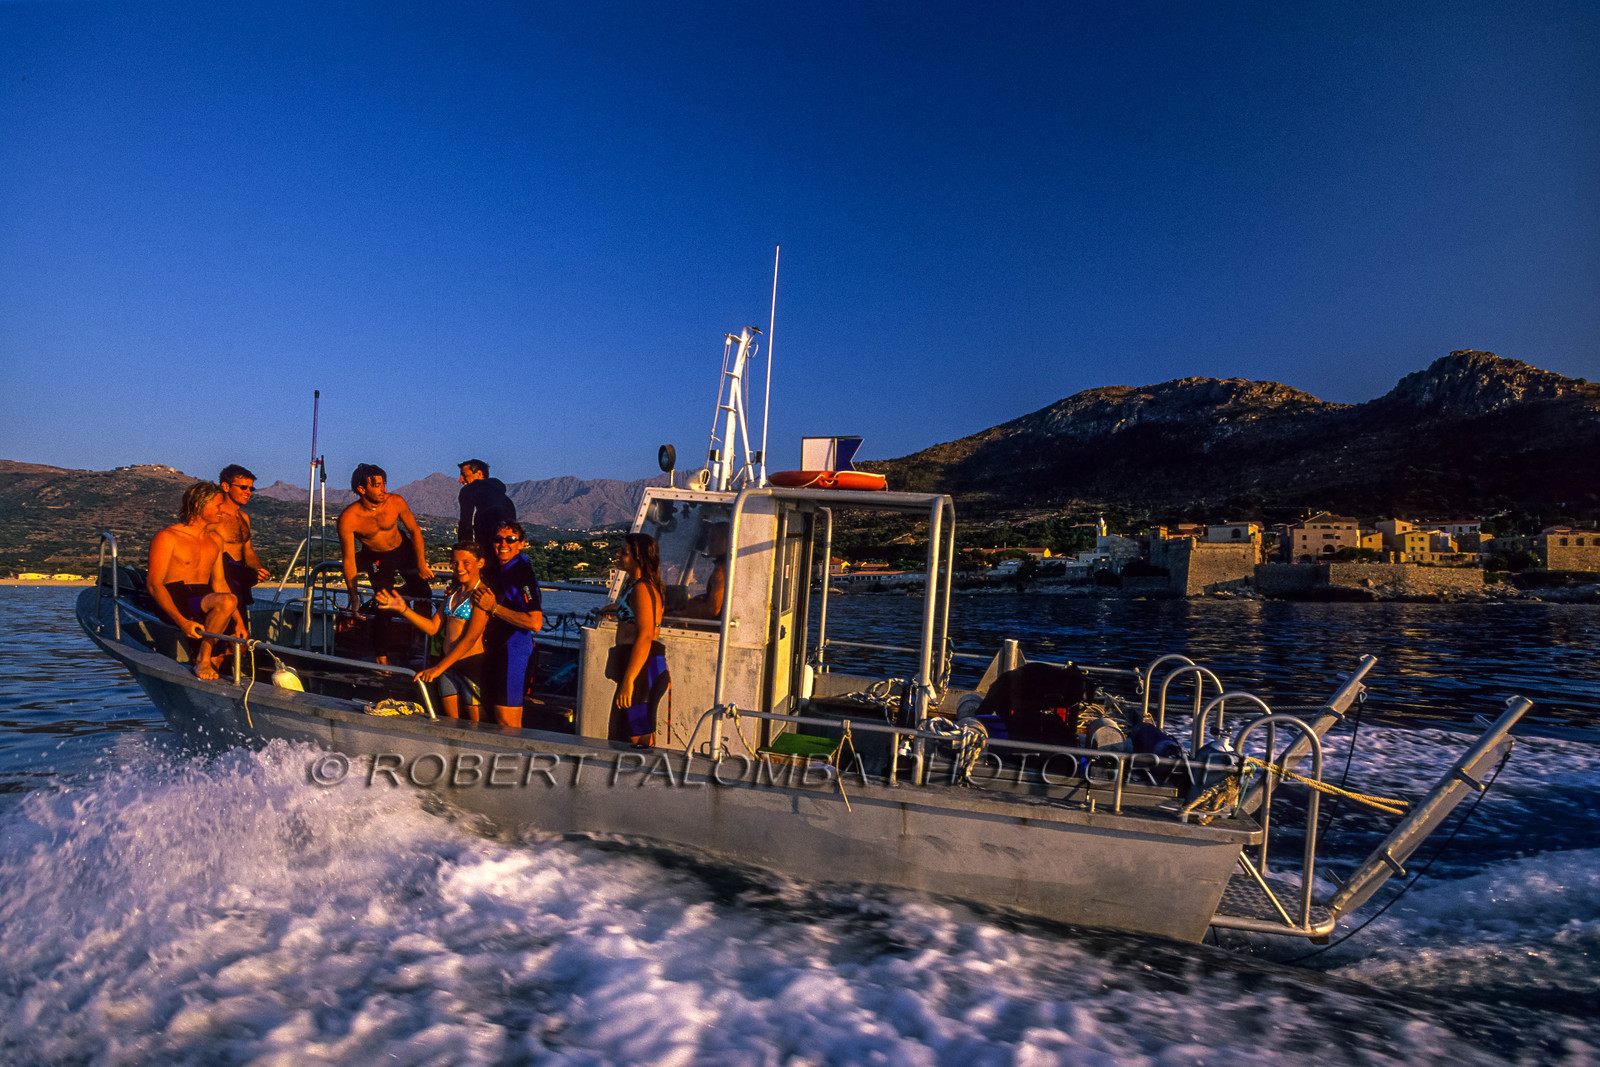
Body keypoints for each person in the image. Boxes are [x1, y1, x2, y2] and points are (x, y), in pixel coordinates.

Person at [377, 542, 490, 721]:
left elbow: (469, 640)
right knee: (450, 722)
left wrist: (438, 668)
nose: (459, 567)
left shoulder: (482, 595)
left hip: (472, 667)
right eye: (455, 562)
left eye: (466, 562)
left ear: (480, 563)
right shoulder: (453, 595)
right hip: (448, 666)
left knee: (476, 726)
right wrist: (402, 609)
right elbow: (432, 627)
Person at [336, 463, 435, 664]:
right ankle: (381, 657)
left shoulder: (395, 502)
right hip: (376, 557)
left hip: (403, 550)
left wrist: (422, 563)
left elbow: (415, 530)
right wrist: (354, 597)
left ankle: (419, 643)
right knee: (383, 603)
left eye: (384, 484)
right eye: (378, 486)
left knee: (424, 593)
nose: (384, 490)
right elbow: (348, 560)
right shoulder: (348, 518)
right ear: (362, 489)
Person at [147, 481, 242, 680]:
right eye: (217, 505)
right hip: (175, 594)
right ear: (199, 506)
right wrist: (181, 622)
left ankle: (209, 664)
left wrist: (239, 623)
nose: (222, 510)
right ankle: (203, 660)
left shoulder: (215, 539)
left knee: (231, 647)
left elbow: (220, 583)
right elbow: (154, 584)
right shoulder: (167, 537)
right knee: (226, 601)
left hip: (202, 596)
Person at [598, 533, 670, 746]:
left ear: (639, 558)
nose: (619, 555)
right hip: (637, 667)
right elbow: (635, 612)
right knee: (627, 729)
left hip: (641, 669)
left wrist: (629, 680)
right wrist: (615, 608)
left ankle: (639, 774)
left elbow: (645, 635)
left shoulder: (642, 589)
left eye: (625, 552)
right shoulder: (635, 586)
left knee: (635, 734)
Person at [469, 520, 543, 729]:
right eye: (498, 539)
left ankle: (515, 761)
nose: (503, 544)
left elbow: (535, 622)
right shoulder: (501, 570)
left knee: (506, 721)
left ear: (521, 543)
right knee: (496, 717)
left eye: (510, 539)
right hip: (498, 649)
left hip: (514, 650)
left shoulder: (522, 573)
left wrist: (494, 608)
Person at [212, 464, 272, 616]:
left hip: (241, 581)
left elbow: (248, 551)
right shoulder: (214, 518)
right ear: (226, 486)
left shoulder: (244, 518)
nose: (248, 492)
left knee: (241, 629)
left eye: (251, 489)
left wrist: (258, 569)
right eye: (243, 487)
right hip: (221, 582)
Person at [457, 459, 517, 557]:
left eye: (464, 475)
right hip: (508, 548)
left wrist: (465, 553)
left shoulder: (468, 490)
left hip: (488, 545)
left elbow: (465, 524)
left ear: (479, 474)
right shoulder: (500, 494)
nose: (460, 480)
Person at [671, 522, 728, 620]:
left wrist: (681, 614)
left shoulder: (721, 571)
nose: (708, 543)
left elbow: (712, 609)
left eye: (713, 539)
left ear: (727, 541)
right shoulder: (729, 567)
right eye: (708, 539)